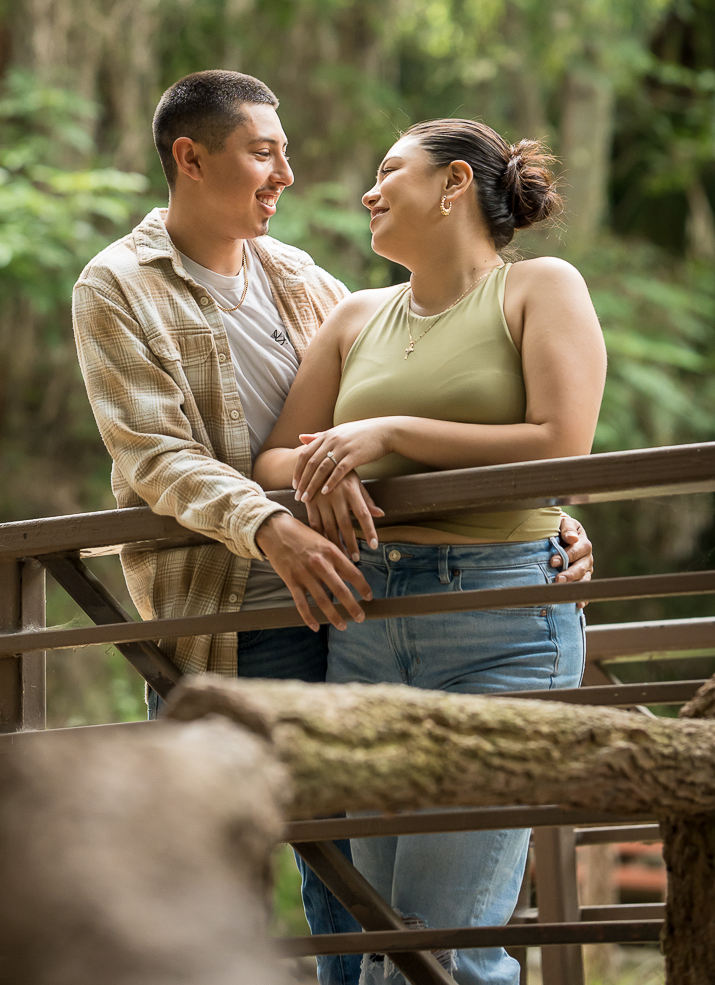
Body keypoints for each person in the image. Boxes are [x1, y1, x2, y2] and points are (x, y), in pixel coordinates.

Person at [72, 76, 596, 985]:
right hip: (236, 613)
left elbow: (439, 417)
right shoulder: (119, 286)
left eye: (285, 150)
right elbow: (161, 456)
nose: (289, 174)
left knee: (378, 918)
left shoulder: (303, 278)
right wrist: (272, 526)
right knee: (237, 883)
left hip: (359, 606)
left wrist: (547, 511)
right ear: (191, 159)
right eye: (263, 151)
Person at [253, 119, 607, 985]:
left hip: (499, 621)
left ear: (453, 184)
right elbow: (269, 459)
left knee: (441, 947)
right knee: (380, 939)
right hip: (365, 620)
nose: (368, 193)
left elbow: (562, 443)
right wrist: (328, 465)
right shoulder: (354, 313)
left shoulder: (538, 287)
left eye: (388, 171)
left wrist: (386, 431)